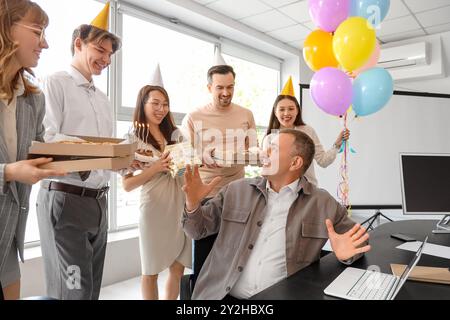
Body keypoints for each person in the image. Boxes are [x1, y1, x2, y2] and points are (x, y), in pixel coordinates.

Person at [182, 129, 370, 300]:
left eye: (273, 149)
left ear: (295, 162)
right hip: (222, 297)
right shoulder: (236, 190)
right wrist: (192, 205)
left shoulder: (322, 203)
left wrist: (347, 253)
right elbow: (197, 231)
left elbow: (360, 241)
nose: (265, 154)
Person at [36, 2, 122, 300]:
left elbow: (108, 153)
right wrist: (95, 154)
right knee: (71, 291)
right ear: (78, 43)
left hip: (99, 203)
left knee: (90, 291)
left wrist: (126, 160)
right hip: (66, 197)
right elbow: (47, 139)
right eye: (100, 50)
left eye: (110, 54)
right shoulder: (55, 83)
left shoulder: (102, 99)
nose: (106, 59)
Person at [0, 0, 65, 300]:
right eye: (38, 31)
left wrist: (104, 157)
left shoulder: (32, 99)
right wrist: (10, 172)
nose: (45, 43)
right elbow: (15, 168)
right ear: (5, 28)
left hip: (6, 238)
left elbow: (38, 152)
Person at [122, 83, 191, 300]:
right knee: (150, 270)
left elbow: (187, 168)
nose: (161, 109)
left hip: (180, 203)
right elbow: (127, 184)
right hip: (154, 208)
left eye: (165, 105)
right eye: (155, 103)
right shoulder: (133, 136)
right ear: (142, 105)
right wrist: (156, 168)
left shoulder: (176, 134)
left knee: (178, 269)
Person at [182, 62, 258, 199]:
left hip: (239, 190)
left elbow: (253, 150)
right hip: (206, 192)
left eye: (230, 87)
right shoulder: (193, 117)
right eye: (220, 88)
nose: (226, 93)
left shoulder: (246, 114)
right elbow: (184, 158)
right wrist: (202, 156)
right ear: (209, 88)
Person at [265, 77, 350, 186]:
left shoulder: (307, 131)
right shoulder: (270, 138)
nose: (286, 113)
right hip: (281, 192)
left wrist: (337, 145)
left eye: (291, 109)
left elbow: (323, 161)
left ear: (297, 111)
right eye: (281, 109)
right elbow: (268, 171)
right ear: (275, 112)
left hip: (307, 191)